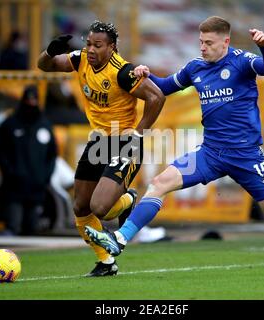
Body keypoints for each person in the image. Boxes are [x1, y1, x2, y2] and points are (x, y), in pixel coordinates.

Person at [85, 16, 264, 276]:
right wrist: (146, 73)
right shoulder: (195, 67)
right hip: (210, 153)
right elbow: (164, 86)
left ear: (225, 42)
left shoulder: (242, 62)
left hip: (246, 156)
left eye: (208, 42)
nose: (203, 47)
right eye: (200, 42)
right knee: (160, 183)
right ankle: (119, 239)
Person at [38, 20, 165, 276]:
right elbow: (45, 66)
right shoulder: (81, 59)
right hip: (99, 142)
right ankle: (106, 262)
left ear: (112, 47)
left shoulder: (123, 72)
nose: (91, 49)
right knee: (80, 207)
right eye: (88, 44)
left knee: (99, 208)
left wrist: (139, 133)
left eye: (98, 45)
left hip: (125, 143)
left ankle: (128, 199)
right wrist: (50, 51)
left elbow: (157, 97)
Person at [0, 85, 57, 235]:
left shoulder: (45, 125)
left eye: (34, 100)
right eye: (28, 100)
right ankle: (8, 259)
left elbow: (52, 155)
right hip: (14, 188)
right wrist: (9, 172)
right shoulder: (10, 124)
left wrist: (45, 177)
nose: (31, 103)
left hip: (36, 189)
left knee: (33, 229)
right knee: (13, 227)